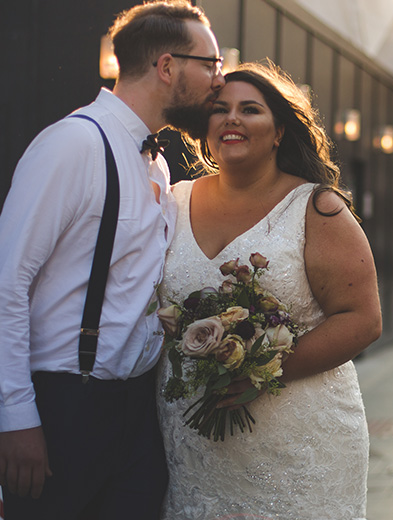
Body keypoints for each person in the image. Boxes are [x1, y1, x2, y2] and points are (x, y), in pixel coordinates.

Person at [0, 2, 225, 518]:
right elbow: (8, 281)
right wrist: (15, 417)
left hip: (135, 413)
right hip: (63, 405)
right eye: (211, 65)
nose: (220, 80)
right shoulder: (73, 144)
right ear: (167, 67)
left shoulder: (158, 164)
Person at [156, 61, 382, 519]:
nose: (232, 119)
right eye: (220, 109)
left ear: (278, 130)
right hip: (193, 444)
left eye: (250, 109)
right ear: (206, 128)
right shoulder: (170, 202)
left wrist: (258, 371)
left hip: (297, 445)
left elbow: (363, 319)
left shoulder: (316, 208)